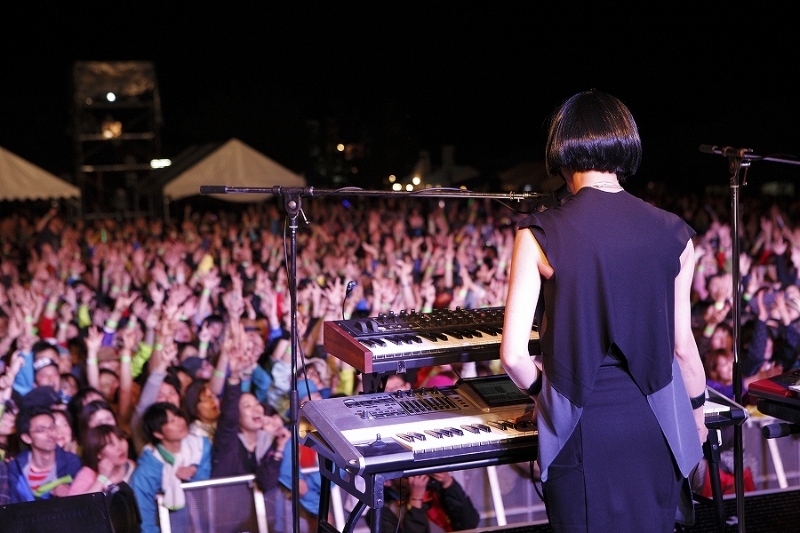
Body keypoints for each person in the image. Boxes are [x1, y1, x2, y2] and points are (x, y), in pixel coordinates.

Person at [500, 90, 707, 533]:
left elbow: (514, 356)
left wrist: (544, 397)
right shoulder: (676, 233)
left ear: (562, 151)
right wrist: (697, 417)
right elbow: (683, 348)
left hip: (581, 430)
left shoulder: (538, 233)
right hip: (657, 428)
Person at [130, 402, 212, 533]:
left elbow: (209, 483)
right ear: (158, 434)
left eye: (178, 416)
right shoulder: (148, 469)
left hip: (209, 524)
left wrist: (194, 471)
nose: (180, 422)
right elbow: (144, 516)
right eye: (171, 421)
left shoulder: (200, 446)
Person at [7, 406, 82, 502]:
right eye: (41, 430)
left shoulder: (72, 462)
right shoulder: (15, 468)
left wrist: (70, 491)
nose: (50, 434)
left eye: (52, 427)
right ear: (27, 438)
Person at [371, 472, 480, 533]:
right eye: (406, 475)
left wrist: (448, 483)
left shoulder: (436, 489)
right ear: (387, 481)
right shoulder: (380, 512)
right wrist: (416, 499)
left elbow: (469, 524)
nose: (416, 476)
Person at [68, 424, 136, 495]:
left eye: (120, 439)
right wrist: (102, 478)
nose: (120, 447)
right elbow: (77, 501)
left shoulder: (133, 467)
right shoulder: (88, 474)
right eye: (111, 444)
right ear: (98, 453)